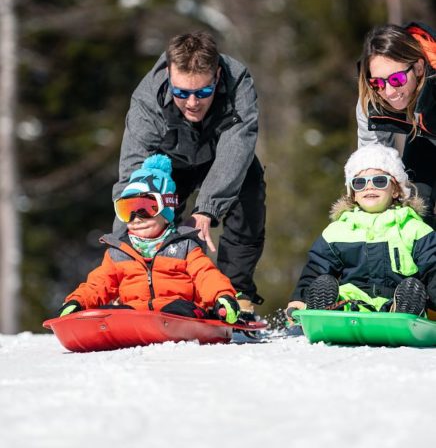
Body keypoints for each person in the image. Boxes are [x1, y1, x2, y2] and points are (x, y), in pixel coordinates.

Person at [112, 31, 266, 319]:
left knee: (250, 186)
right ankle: (132, 288)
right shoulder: (148, 100)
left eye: (203, 92)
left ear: (217, 76)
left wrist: (207, 207)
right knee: (140, 210)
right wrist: (131, 225)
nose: (192, 102)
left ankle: (234, 292)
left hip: (221, 158)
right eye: (182, 93)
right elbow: (131, 174)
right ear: (170, 75)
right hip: (169, 165)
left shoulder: (238, 82)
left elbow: (237, 147)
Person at [59, 154, 240, 324]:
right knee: (110, 312)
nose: (136, 218)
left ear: (166, 210)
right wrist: (77, 302)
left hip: (177, 312)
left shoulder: (185, 247)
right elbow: (98, 284)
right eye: (127, 210)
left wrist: (222, 296)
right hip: (134, 314)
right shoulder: (119, 253)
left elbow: (205, 275)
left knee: (179, 309)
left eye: (146, 208)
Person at [286, 144, 436, 320]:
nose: (369, 187)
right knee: (325, 284)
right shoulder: (338, 231)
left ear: (396, 190)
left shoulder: (414, 229)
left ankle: (407, 312)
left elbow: (433, 269)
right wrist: (299, 298)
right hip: (351, 303)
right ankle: (327, 310)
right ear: (353, 194)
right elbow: (316, 268)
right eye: (360, 182)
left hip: (395, 300)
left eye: (379, 181)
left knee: (412, 289)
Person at [356, 21, 436, 228]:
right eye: (378, 83)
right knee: (414, 204)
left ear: (418, 68)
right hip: (424, 138)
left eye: (397, 79)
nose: (389, 91)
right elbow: (374, 159)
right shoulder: (372, 98)